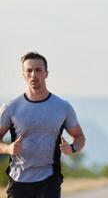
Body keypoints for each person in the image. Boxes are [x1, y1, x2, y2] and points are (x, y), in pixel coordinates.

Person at [0, 52, 86, 198]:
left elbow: (79, 137)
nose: (34, 75)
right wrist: (8, 148)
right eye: (29, 70)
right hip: (18, 180)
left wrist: (71, 148)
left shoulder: (62, 107)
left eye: (38, 70)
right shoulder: (11, 108)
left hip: (49, 180)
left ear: (46, 73)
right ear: (23, 75)